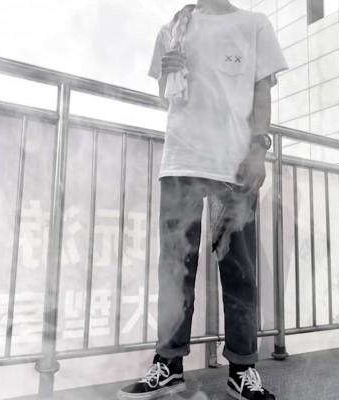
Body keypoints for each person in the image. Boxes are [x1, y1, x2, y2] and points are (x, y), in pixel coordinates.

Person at [118, 0, 288, 399]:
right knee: (175, 269)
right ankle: (168, 364)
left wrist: (258, 150)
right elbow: (166, 96)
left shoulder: (254, 24)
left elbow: (262, 93)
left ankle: (242, 369)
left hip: (234, 166)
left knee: (240, 271)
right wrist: (169, 72)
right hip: (181, 161)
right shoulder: (173, 28)